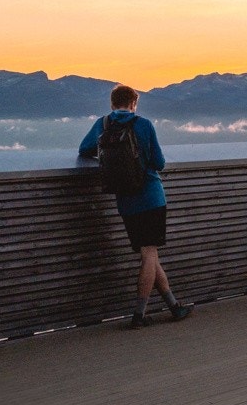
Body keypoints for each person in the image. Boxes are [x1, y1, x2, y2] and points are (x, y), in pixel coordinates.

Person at [79, 84, 191, 327]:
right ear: (133, 104)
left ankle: (174, 306)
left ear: (112, 104)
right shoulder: (144, 124)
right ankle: (139, 314)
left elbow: (84, 149)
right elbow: (159, 162)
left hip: (126, 201)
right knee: (149, 254)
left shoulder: (103, 123)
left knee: (149, 254)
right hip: (151, 196)